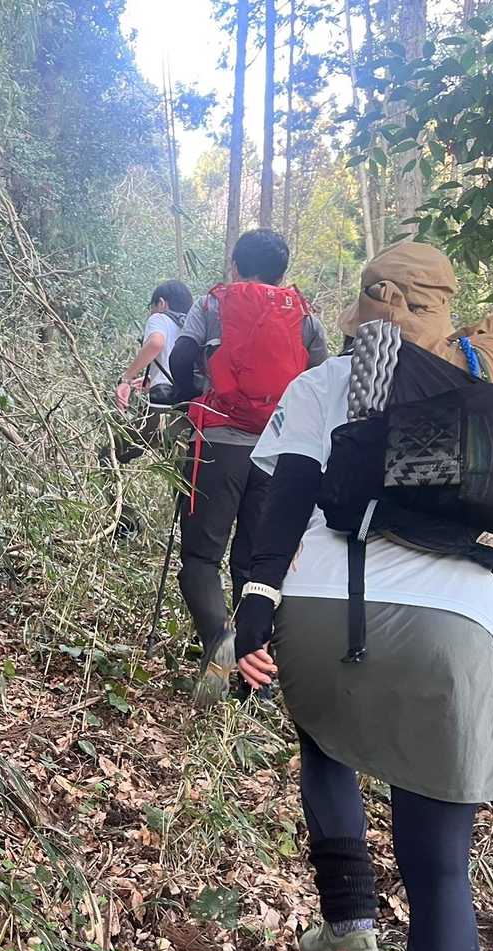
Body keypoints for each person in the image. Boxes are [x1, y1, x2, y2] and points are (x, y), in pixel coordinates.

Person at [232, 242, 493, 951]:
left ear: (363, 309)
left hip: (322, 609)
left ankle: (348, 925)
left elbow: (280, 508)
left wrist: (254, 609)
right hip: (450, 630)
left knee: (325, 738)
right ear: (445, 306)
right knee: (441, 872)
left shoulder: (323, 385)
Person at [162, 229, 329, 707]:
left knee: (200, 558)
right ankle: (255, 684)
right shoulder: (305, 315)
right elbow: (319, 378)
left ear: (235, 265)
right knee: (256, 567)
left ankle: (220, 641)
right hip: (278, 455)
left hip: (217, 443)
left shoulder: (212, 303)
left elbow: (182, 354)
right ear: (282, 271)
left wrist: (187, 394)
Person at [106, 280, 193, 465]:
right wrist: (152, 380)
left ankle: (110, 480)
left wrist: (126, 379)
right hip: (188, 411)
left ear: (161, 303)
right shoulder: (192, 327)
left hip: (163, 410)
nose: (151, 312)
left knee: (111, 454)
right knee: (181, 471)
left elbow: (156, 343)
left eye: (151, 307)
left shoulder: (160, 318)